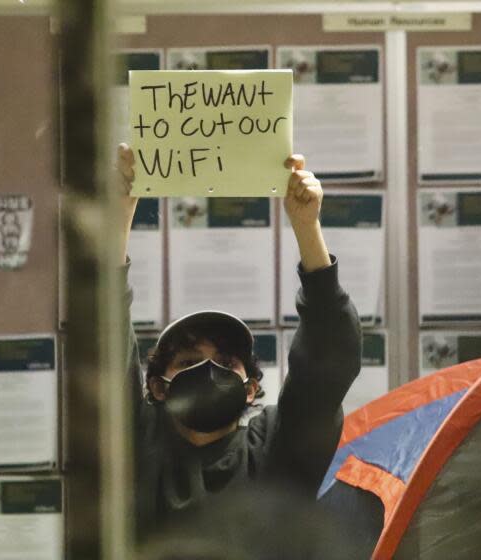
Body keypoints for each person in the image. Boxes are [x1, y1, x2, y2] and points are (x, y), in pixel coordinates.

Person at [114, 144, 362, 538]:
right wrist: (119, 216)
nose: (209, 371)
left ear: (251, 390)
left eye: (227, 362)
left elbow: (327, 363)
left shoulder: (273, 451)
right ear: (157, 386)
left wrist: (306, 227)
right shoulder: (134, 447)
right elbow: (104, 345)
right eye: (188, 360)